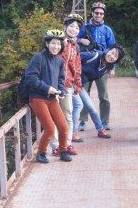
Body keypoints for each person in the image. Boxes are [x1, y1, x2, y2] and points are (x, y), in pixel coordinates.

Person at [23, 29, 72, 163]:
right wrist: (47, 88)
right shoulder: (39, 58)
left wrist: (61, 90)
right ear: (47, 44)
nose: (55, 46)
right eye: (53, 43)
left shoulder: (60, 60)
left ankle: (63, 151)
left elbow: (61, 80)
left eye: (58, 44)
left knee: (63, 126)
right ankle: (41, 153)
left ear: (62, 45)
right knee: (50, 128)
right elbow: (30, 78)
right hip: (38, 98)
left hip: (52, 98)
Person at [77, 1, 117, 131]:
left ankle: (104, 121)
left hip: (102, 66)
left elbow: (113, 49)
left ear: (103, 15)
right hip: (86, 65)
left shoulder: (107, 30)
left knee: (104, 96)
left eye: (101, 13)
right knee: (83, 93)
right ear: (92, 13)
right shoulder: (84, 28)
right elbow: (72, 38)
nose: (99, 15)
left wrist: (112, 67)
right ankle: (82, 121)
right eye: (96, 13)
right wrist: (80, 40)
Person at [74, 45, 125, 139]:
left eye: (115, 56)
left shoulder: (106, 66)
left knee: (90, 107)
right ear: (107, 50)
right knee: (78, 106)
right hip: (71, 83)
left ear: (116, 60)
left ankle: (100, 130)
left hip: (79, 86)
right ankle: (72, 133)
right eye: (112, 52)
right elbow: (73, 58)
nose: (112, 56)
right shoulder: (93, 55)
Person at [51, 13, 84, 158]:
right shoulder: (59, 43)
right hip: (54, 85)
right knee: (55, 116)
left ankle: (66, 144)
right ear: (65, 27)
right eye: (71, 26)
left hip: (67, 85)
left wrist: (78, 84)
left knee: (68, 115)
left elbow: (77, 66)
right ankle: (56, 146)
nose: (74, 29)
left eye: (77, 28)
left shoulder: (75, 46)